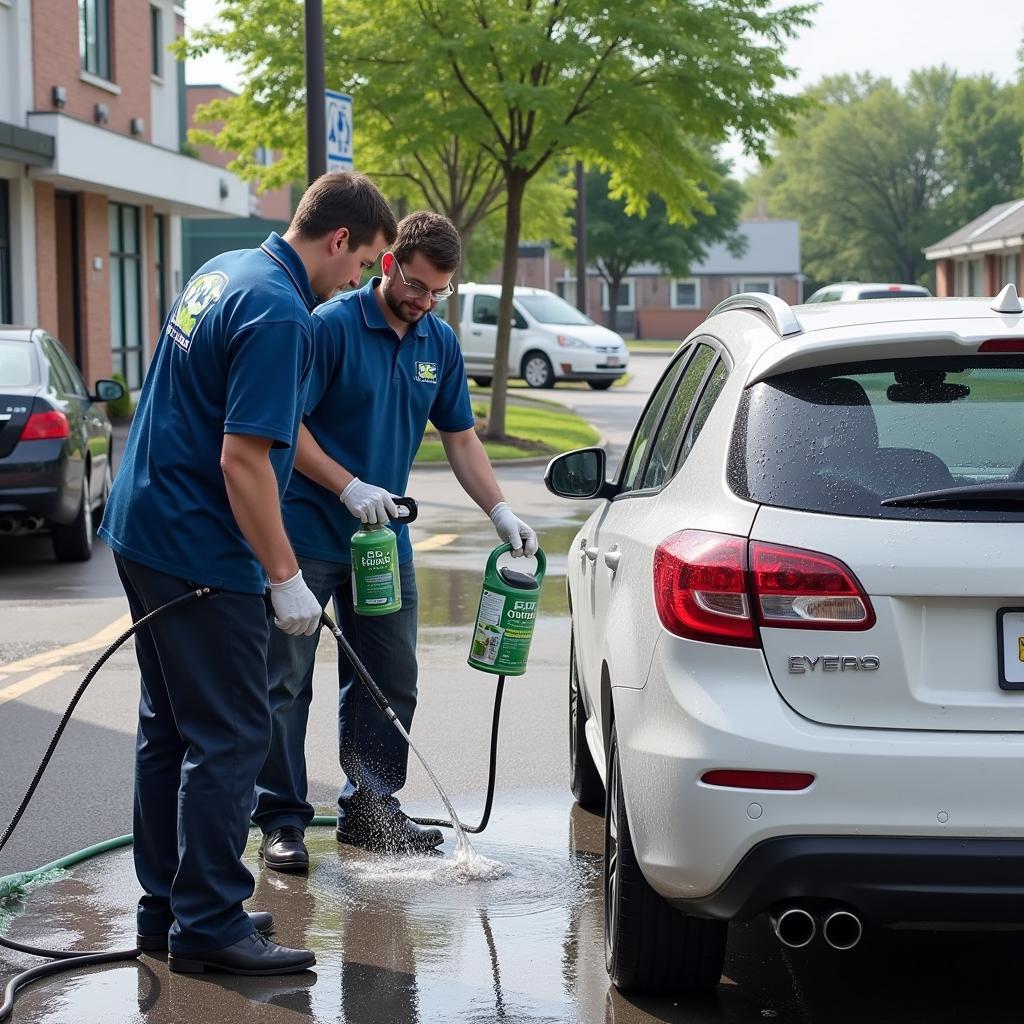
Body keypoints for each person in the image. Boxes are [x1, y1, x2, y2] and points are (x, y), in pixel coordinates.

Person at [98, 172, 397, 975]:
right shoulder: (281, 314)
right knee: (232, 735)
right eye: (365, 262)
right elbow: (243, 458)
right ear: (338, 240)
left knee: (170, 728)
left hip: (142, 527)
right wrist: (283, 573)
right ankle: (208, 927)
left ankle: (169, 908)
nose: (360, 281)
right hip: (198, 549)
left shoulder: (225, 270)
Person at [254, 211, 538, 870]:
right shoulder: (329, 329)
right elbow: (285, 427)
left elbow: (461, 437)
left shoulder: (436, 342)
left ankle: (371, 808)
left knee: (390, 676)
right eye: (416, 284)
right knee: (285, 681)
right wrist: (348, 485)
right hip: (308, 532)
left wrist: (498, 509)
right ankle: (282, 820)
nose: (424, 300)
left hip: (384, 542)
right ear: (389, 264)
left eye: (438, 291)